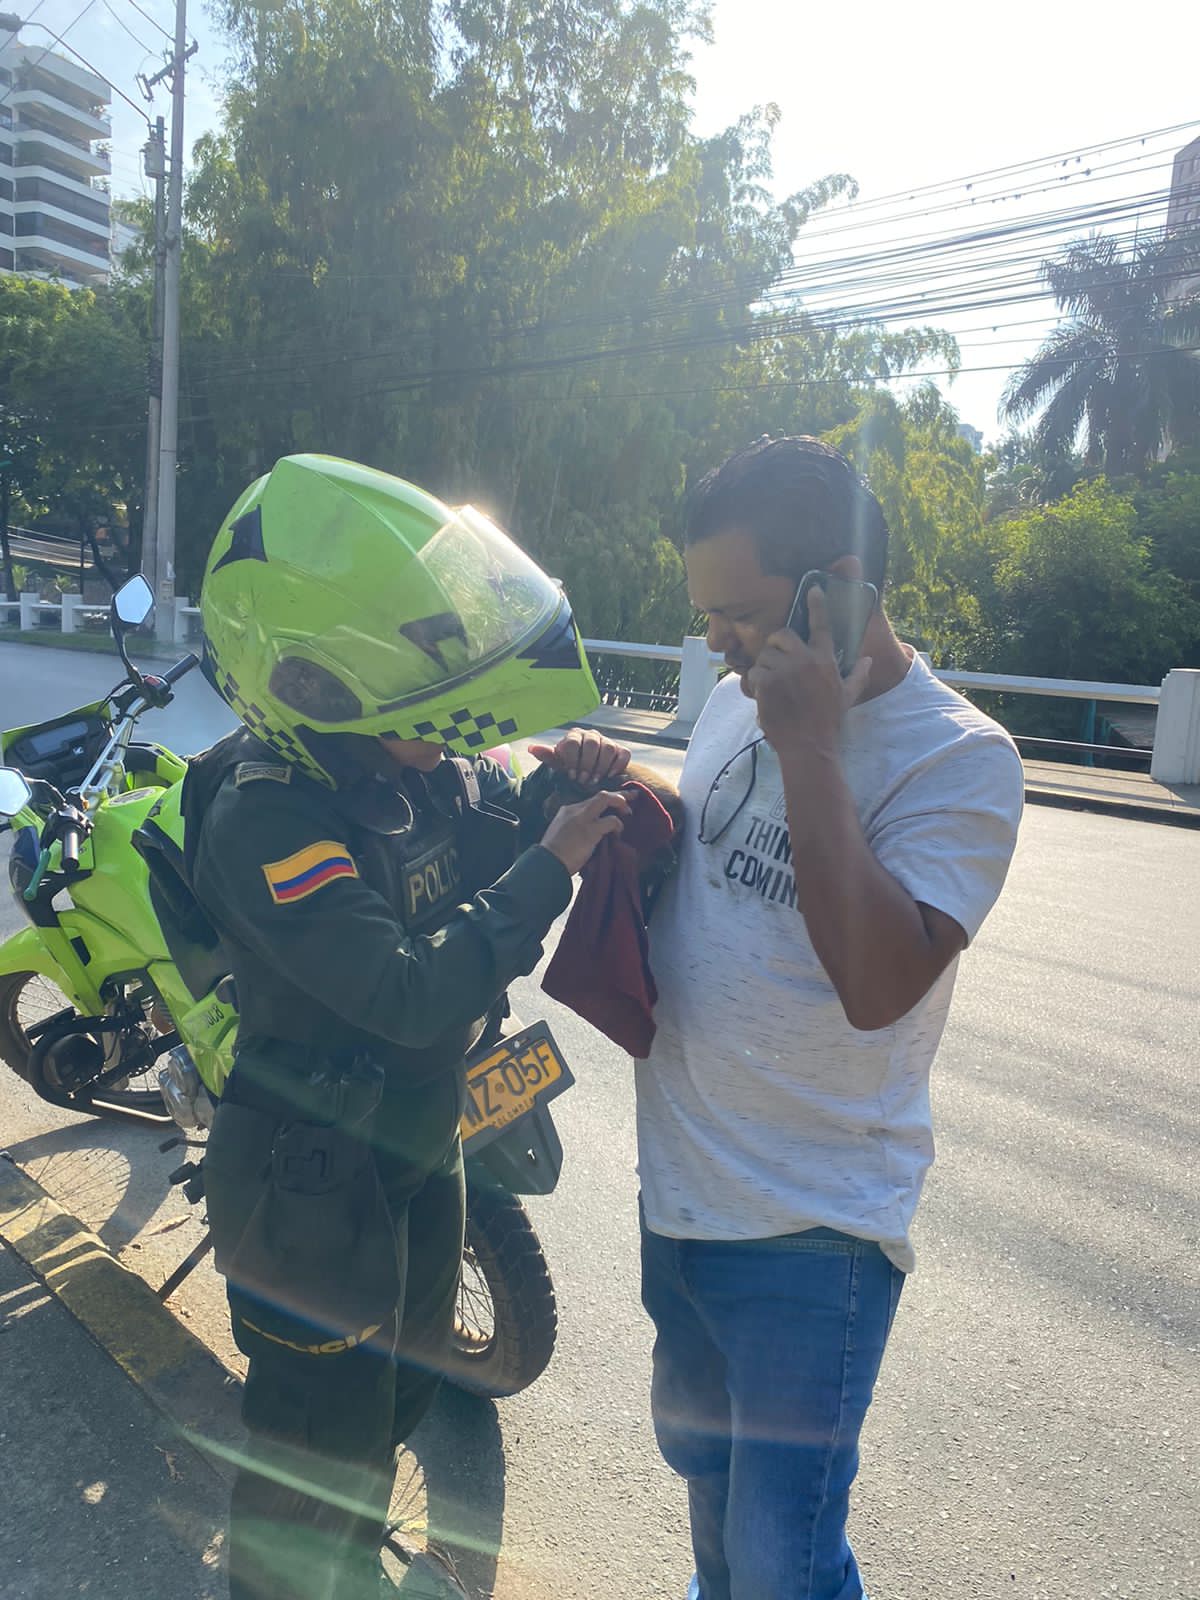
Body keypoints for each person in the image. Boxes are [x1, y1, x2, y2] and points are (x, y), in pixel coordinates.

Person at [183, 453, 637, 1600]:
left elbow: (476, 835)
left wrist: (550, 791)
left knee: (399, 1397)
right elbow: (403, 987)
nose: (442, 725)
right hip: (306, 1185)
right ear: (316, 688)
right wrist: (549, 869)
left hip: (415, 1141)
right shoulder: (270, 816)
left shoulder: (403, 773)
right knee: (309, 1454)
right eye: (411, 704)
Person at [635, 436, 1025, 1600]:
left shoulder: (961, 759)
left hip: (815, 1233)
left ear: (839, 588)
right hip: (680, 1190)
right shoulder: (726, 699)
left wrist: (810, 747)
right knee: (706, 1491)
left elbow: (878, 981)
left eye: (741, 613)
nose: (717, 643)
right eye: (705, 613)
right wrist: (622, 783)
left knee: (781, 1556)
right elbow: (704, 833)